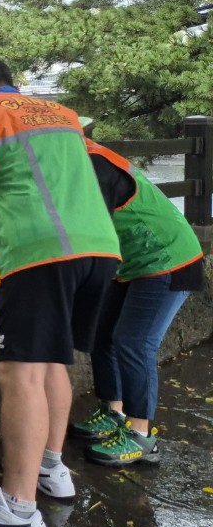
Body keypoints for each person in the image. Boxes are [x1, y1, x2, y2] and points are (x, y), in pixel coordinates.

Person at [0, 57, 120, 527]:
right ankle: (50, 468)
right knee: (53, 361)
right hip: (99, 248)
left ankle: (16, 512)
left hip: (40, 253)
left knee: (19, 374)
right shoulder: (61, 114)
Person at [71, 139, 204, 466]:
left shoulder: (93, 166)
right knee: (103, 334)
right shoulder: (70, 164)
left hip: (167, 260)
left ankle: (141, 437)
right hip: (132, 262)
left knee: (133, 342)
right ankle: (113, 411)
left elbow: (85, 235)